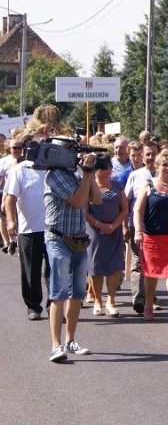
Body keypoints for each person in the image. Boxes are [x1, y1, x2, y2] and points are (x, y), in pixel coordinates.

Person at [43, 129, 103, 362]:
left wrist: (89, 172)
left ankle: (70, 340)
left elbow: (96, 199)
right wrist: (87, 174)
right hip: (58, 238)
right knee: (59, 292)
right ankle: (56, 345)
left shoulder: (76, 176)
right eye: (70, 150)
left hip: (78, 239)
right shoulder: (54, 175)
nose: (75, 155)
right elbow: (79, 201)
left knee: (77, 293)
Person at [135, 149, 168, 324]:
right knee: (150, 273)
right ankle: (148, 303)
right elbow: (138, 210)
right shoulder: (148, 184)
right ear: (157, 166)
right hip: (151, 237)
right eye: (164, 165)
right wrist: (138, 231)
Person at [5, 134, 49, 320]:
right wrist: (11, 220)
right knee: (30, 270)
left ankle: (54, 305)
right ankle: (33, 306)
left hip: (52, 229)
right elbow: (10, 197)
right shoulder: (20, 169)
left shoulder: (52, 168)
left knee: (54, 270)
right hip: (29, 229)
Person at [84, 159, 128, 317]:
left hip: (114, 230)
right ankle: (97, 301)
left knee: (115, 266)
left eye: (109, 167)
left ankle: (111, 301)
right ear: (95, 170)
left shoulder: (117, 186)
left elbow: (124, 209)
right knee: (95, 267)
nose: (107, 171)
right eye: (103, 168)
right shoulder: (89, 186)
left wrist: (115, 225)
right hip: (95, 232)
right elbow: (85, 212)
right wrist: (99, 224)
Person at [125, 142, 160, 315]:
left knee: (154, 262)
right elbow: (126, 201)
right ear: (142, 157)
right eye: (147, 154)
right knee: (138, 261)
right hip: (137, 226)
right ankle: (139, 299)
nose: (151, 157)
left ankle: (151, 298)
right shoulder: (135, 175)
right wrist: (125, 225)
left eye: (154, 154)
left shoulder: (166, 175)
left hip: (159, 228)